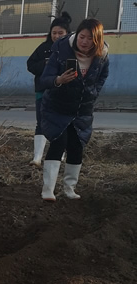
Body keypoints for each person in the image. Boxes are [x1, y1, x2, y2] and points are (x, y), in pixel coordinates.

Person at [38, 18, 109, 201]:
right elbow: (44, 79)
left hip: (82, 110)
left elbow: (102, 77)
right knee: (58, 142)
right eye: (81, 37)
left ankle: (69, 189)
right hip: (57, 107)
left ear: (97, 41)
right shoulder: (61, 51)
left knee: (77, 147)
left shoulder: (102, 56)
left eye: (90, 39)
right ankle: (48, 190)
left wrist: (93, 93)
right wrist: (59, 80)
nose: (84, 42)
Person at [26, 12, 72, 166]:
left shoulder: (72, 50)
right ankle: (37, 158)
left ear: (67, 33)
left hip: (64, 93)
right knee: (41, 123)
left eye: (61, 33)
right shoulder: (44, 48)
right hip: (43, 91)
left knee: (62, 123)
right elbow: (30, 65)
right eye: (54, 33)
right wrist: (45, 64)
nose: (57, 36)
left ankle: (60, 155)